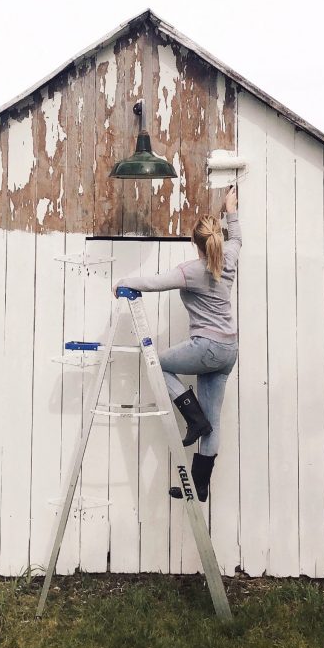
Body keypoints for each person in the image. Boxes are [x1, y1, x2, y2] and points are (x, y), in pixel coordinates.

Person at [113, 185, 241, 504]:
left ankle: (192, 417)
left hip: (207, 346)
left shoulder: (192, 270)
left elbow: (154, 283)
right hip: (228, 352)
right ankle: (199, 485)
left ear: (194, 243)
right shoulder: (230, 257)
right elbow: (238, 239)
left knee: (158, 364)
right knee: (213, 421)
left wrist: (122, 283)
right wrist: (231, 211)